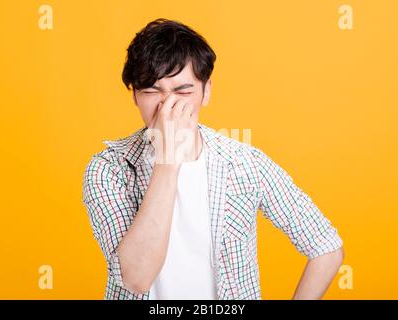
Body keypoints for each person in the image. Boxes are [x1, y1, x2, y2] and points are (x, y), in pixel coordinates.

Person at [82, 18, 344, 300]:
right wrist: (168, 159)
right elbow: (135, 279)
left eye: (183, 91)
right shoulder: (108, 170)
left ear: (206, 91)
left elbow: (326, 247)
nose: (168, 105)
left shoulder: (245, 163)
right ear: (134, 95)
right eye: (151, 91)